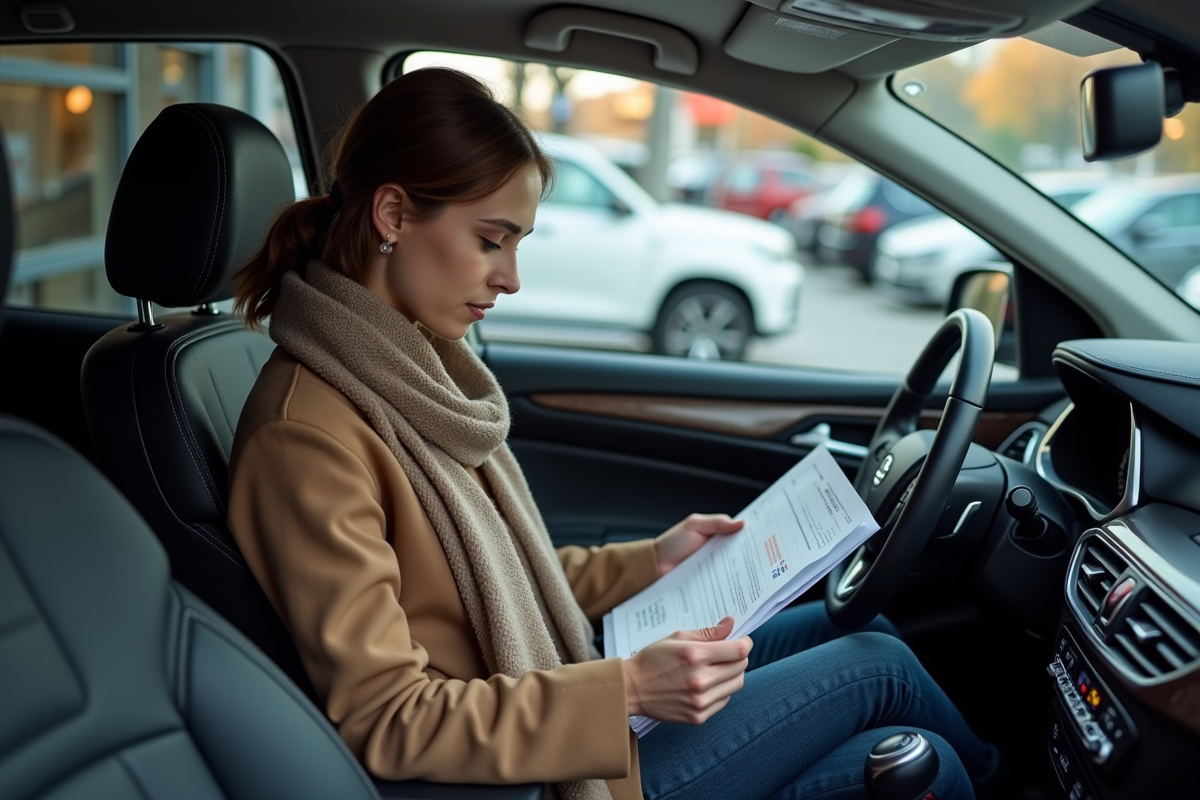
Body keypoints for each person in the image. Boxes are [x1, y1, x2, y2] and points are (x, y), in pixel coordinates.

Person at [227, 67, 997, 800]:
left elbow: (489, 581)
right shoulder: (309, 434)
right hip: (532, 770)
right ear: (393, 215)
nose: (511, 277)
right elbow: (386, 721)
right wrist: (626, 689)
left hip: (550, 692)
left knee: (851, 629)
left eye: (519, 244)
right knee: (879, 670)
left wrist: (653, 562)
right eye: (492, 240)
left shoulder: (406, 369)